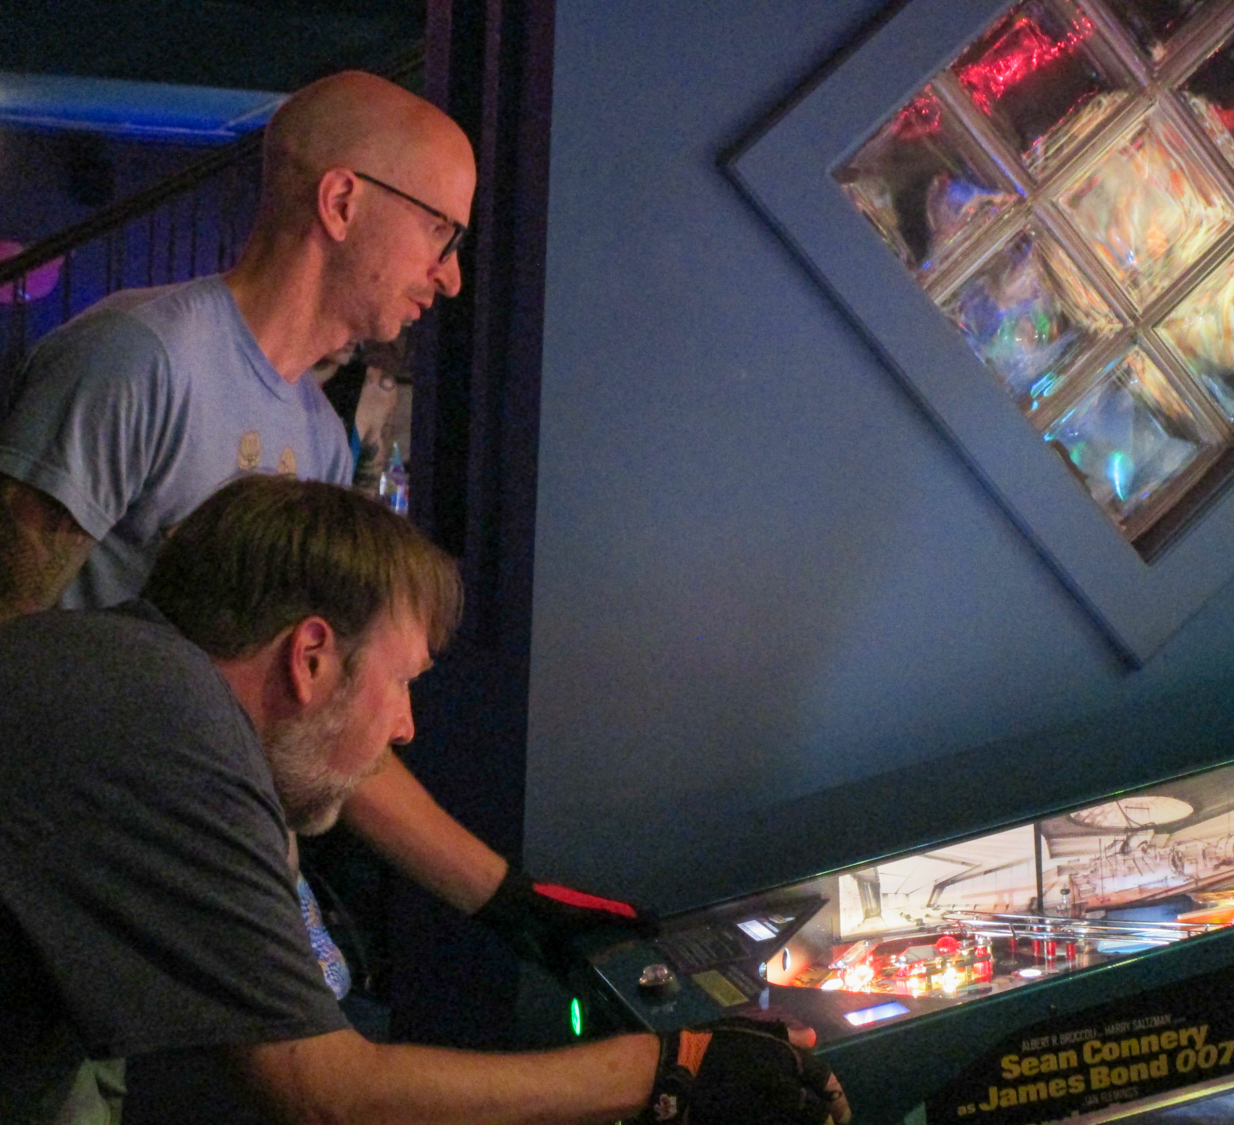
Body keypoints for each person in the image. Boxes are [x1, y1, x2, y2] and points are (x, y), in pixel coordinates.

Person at [0, 68, 643, 1107]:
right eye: (441, 232)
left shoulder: (316, 434)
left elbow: (324, 719)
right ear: (342, 202)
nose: (451, 277)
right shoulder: (142, 359)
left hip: (158, 916)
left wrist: (507, 903)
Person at [0, 475, 851, 1125]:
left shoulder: (128, 668)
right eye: (403, 681)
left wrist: (515, 902)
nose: (405, 727)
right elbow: (325, 1092)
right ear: (311, 657)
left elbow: (346, 756)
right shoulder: (179, 735)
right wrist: (668, 1069)